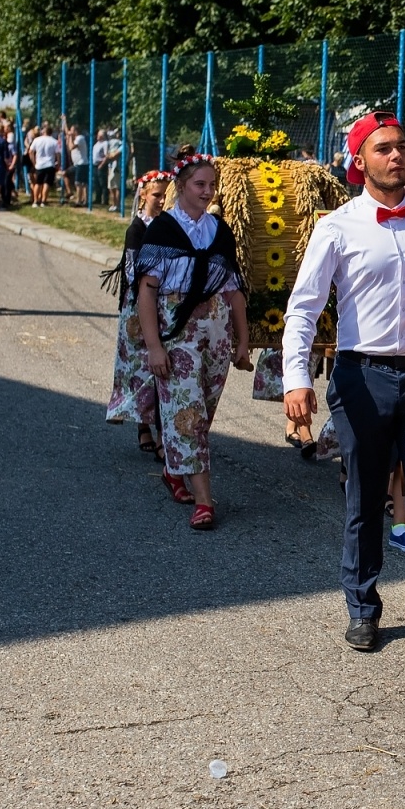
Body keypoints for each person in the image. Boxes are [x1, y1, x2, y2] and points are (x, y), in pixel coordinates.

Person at [281, 111, 405, 661]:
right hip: (361, 377)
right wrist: (296, 379)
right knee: (366, 497)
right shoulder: (337, 227)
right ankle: (363, 608)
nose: (397, 156)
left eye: (402, 147)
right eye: (383, 149)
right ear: (359, 161)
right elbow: (303, 308)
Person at [134, 153, 253, 529]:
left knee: (204, 410)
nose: (207, 191)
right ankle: (204, 501)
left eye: (212, 185)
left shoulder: (220, 231)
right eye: (200, 184)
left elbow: (233, 291)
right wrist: (154, 346)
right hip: (178, 332)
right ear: (181, 186)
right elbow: (146, 293)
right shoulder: (163, 230)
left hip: (217, 332)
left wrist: (243, 341)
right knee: (190, 414)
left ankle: (174, 469)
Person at [105, 169, 173, 459]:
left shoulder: (169, 226)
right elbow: (133, 272)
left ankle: (160, 432)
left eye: (165, 195)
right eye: (156, 195)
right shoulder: (137, 229)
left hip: (163, 304)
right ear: (144, 195)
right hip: (138, 306)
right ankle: (143, 425)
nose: (161, 200)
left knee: (162, 369)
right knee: (140, 368)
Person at [29, 127, 60, 208]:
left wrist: (34, 162)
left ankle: (35, 201)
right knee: (47, 183)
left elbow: (31, 151)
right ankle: (43, 201)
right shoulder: (54, 141)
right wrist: (58, 163)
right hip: (50, 164)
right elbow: (57, 154)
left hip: (39, 164)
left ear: (43, 132)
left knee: (38, 183)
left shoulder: (37, 140)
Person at [67, 125, 88, 206]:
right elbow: (69, 147)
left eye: (72, 130)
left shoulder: (80, 138)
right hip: (77, 164)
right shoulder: (76, 139)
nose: (70, 131)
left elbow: (71, 147)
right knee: (81, 182)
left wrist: (70, 137)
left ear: (75, 131)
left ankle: (80, 201)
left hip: (81, 163)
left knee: (79, 183)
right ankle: (83, 200)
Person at [103, 130, 124, 211]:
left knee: (116, 186)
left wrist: (109, 155)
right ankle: (114, 204)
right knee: (111, 187)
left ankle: (117, 205)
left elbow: (113, 156)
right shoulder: (117, 144)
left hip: (116, 168)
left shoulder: (122, 145)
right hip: (112, 167)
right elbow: (109, 155)